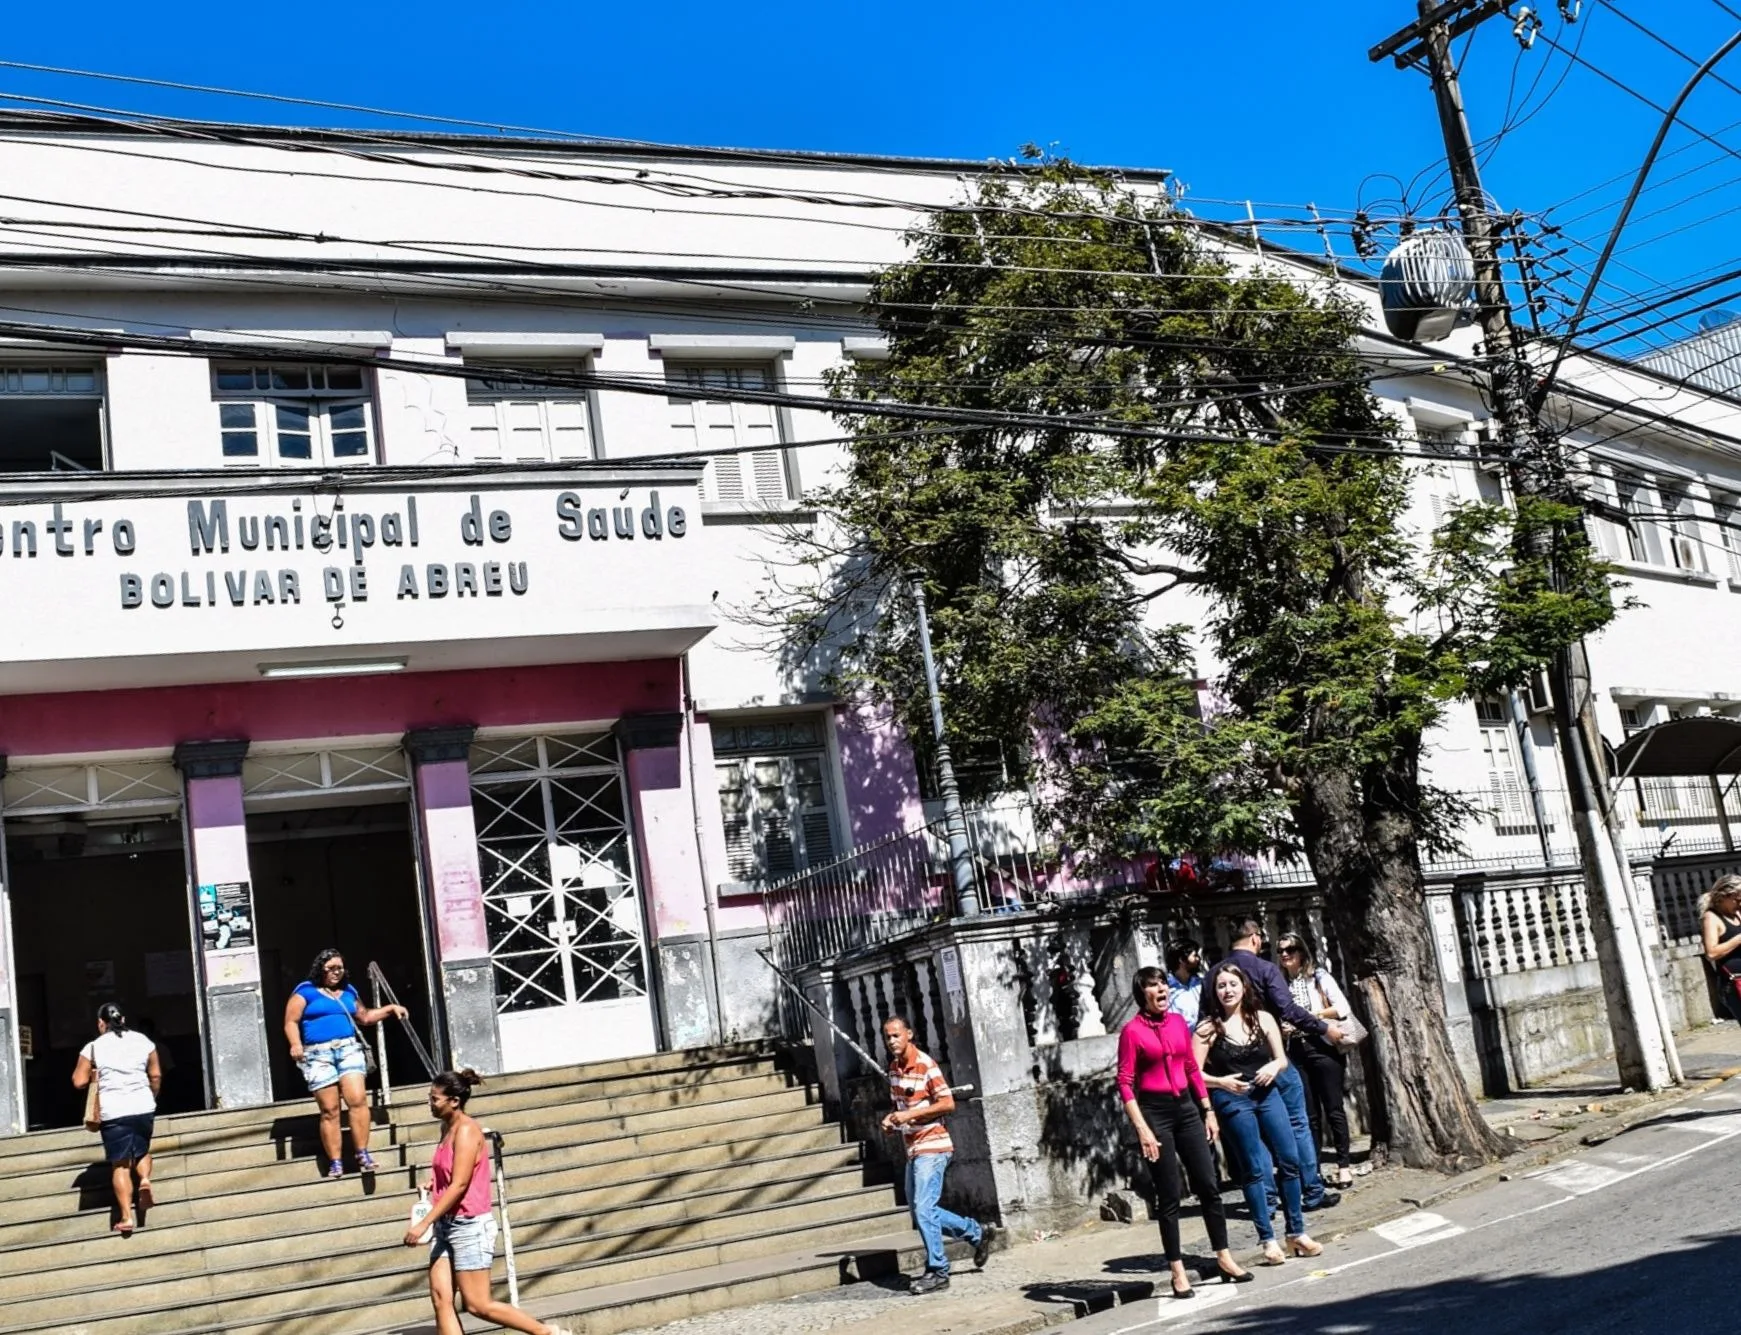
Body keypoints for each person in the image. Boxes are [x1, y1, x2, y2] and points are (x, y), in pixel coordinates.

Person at [404, 1070, 574, 1335]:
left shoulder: (467, 1132)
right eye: (429, 1098)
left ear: (454, 1101)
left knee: (478, 1304)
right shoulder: (446, 1128)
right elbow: (450, 1174)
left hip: (469, 1226)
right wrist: (433, 1184)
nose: (430, 1104)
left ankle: (547, 1332)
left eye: (434, 1099)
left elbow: (460, 1184)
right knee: (441, 1299)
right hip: (445, 1224)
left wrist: (424, 1223)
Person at [1117, 966, 1252, 1299]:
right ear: (1142, 994)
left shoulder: (1178, 1023)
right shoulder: (1132, 1032)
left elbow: (1192, 1067)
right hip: (1155, 1113)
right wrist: (1143, 1129)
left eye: (1163, 983)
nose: (1161, 990)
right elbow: (1125, 1083)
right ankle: (1177, 1270)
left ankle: (1224, 1257)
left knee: (1209, 1185)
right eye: (1153, 986)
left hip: (1187, 1110)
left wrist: (1208, 1110)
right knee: (1170, 1195)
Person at [1194, 962, 1322, 1264]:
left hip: (1267, 1094)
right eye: (1221, 985)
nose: (1227, 990)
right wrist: (1220, 1082)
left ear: (1244, 987)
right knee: (1253, 1169)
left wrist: (1272, 1067)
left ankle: (1296, 1232)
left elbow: (1281, 1060)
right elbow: (1193, 1073)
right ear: (1214, 991)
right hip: (1233, 1100)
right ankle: (1267, 1239)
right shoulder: (1207, 1029)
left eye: (1232, 984)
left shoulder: (1263, 1018)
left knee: (1290, 1159)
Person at [1218, 920, 1341, 1211]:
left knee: (1255, 1134)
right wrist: (1323, 1028)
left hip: (1235, 1067)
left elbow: (1207, 1021)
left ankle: (1268, 1199)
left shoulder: (1217, 974)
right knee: (1298, 1123)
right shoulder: (1264, 969)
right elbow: (1288, 1009)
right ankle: (1311, 1190)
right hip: (1273, 1058)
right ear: (1255, 939)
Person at [880, 1015, 992, 1295]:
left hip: (934, 1145)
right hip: (912, 1147)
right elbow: (904, 1108)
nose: (892, 1041)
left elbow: (947, 1103)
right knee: (920, 1213)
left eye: (896, 1035)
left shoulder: (927, 1065)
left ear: (909, 1034)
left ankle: (938, 1270)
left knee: (924, 1209)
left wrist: (910, 1114)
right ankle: (977, 1233)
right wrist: (894, 1122)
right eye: (888, 1037)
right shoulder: (894, 1070)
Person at [285, 948, 407, 1178]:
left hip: (349, 1049)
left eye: (339, 968)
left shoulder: (349, 991)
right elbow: (291, 1021)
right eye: (330, 968)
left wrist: (390, 1009)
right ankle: (336, 1161)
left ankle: (362, 1152)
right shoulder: (305, 991)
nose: (336, 972)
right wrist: (295, 1043)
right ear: (320, 968)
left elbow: (365, 1017)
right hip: (318, 1054)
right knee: (330, 1109)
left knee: (357, 1099)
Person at [71, 1002, 160, 1235]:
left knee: (120, 1165)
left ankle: (127, 1217)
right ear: (123, 1018)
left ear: (101, 1023)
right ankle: (144, 1181)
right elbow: (156, 1074)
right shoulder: (143, 1041)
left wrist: (94, 1072)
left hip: (114, 1110)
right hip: (142, 1105)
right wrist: (151, 1096)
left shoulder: (93, 1047)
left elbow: (78, 1082)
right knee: (141, 1151)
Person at [1277, 932, 1356, 1189]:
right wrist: (1284, 1028)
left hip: (1323, 1046)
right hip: (1296, 1050)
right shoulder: (1280, 984)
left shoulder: (1318, 977)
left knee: (1333, 1108)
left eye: (1290, 949)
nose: (1285, 955)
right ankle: (1314, 1170)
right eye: (1281, 951)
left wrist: (1311, 1016)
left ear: (1301, 952)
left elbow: (1342, 1008)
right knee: (1308, 1115)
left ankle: (1344, 1166)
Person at [1701, 875, 1741, 1022]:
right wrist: (1738, 940)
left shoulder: (1737, 913)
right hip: (1735, 984)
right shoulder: (1711, 917)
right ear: (1724, 896)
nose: (1740, 903)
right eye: (1737, 900)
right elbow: (1711, 952)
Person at [1165, 939, 1205, 1028]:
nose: (1198, 959)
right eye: (1195, 956)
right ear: (1182, 960)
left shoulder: (1201, 984)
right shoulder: (1166, 989)